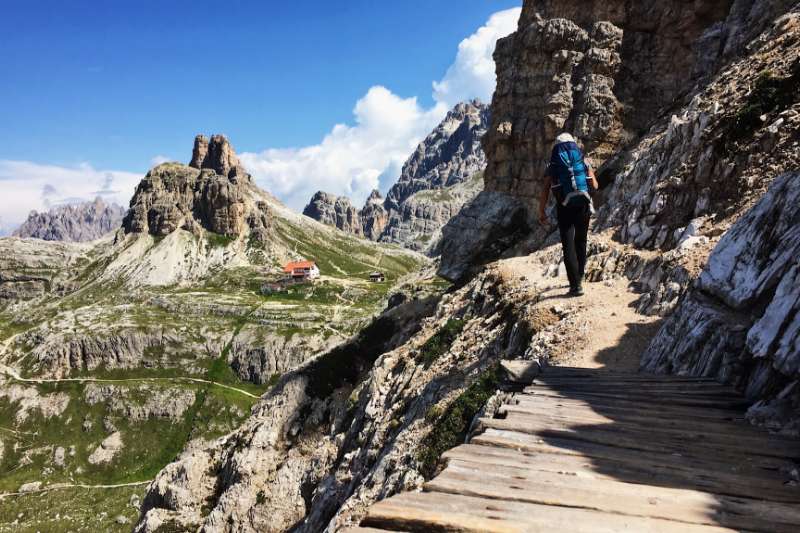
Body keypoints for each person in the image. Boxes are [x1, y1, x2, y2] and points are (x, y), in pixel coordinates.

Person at [538, 133, 599, 297]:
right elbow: (595, 184)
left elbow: (545, 189)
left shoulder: (554, 163)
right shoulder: (583, 159)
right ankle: (580, 275)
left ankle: (575, 286)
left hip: (564, 206)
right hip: (583, 205)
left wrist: (542, 210)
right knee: (581, 240)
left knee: (568, 244)